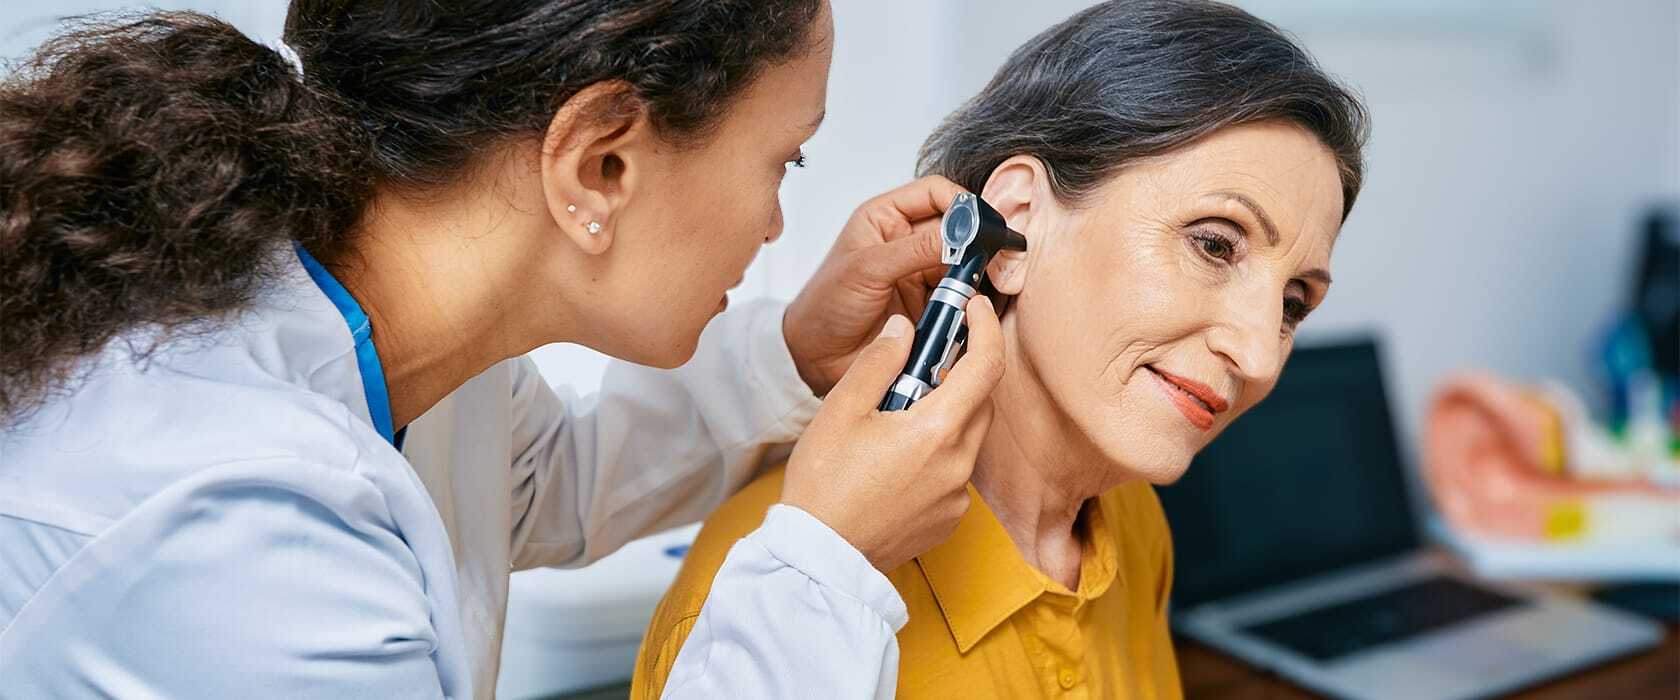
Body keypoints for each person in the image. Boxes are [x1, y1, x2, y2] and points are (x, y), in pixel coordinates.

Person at [0, 2, 1003, 697]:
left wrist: (791, 352)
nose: (778, 222)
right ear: (600, 159)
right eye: (784, 157)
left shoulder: (400, 337)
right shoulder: (237, 535)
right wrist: (825, 565)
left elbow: (535, 484)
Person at [633, 1, 1369, 697]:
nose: (1260, 356)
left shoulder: (1131, 524)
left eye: (1293, 303)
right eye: (1214, 244)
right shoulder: (765, 607)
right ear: (1017, 223)